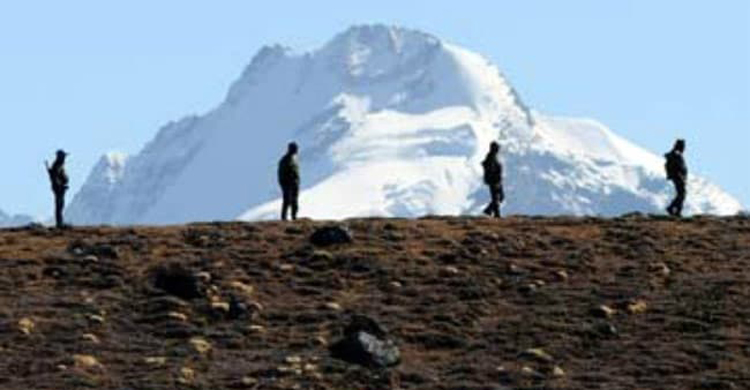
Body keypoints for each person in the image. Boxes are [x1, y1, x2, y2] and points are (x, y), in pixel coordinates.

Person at [45, 149, 70, 229]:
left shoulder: (58, 165)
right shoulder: (57, 165)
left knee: (60, 206)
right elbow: (55, 179)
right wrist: (61, 186)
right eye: (63, 157)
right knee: (59, 206)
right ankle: (59, 224)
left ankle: (60, 223)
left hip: (59, 188)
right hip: (59, 189)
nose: (65, 158)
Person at [665, 139, 688, 217]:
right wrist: (681, 176)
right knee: (682, 193)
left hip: (677, 176)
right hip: (678, 176)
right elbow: (678, 167)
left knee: (681, 193)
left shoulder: (675, 154)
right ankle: (673, 208)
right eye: (683, 146)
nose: (684, 148)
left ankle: (676, 210)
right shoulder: (676, 154)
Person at [278, 142, 300, 221]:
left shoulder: (294, 160)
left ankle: (294, 216)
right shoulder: (284, 160)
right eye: (295, 149)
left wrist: (297, 182)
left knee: (295, 201)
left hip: (294, 184)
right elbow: (281, 174)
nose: (297, 150)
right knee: (287, 201)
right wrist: (284, 185)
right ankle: (284, 217)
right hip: (287, 184)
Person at [481, 141, 504, 218]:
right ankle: (495, 214)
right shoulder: (491, 157)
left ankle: (490, 211)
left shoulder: (492, 157)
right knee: (496, 198)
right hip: (494, 181)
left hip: (496, 180)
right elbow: (491, 169)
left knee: (498, 198)